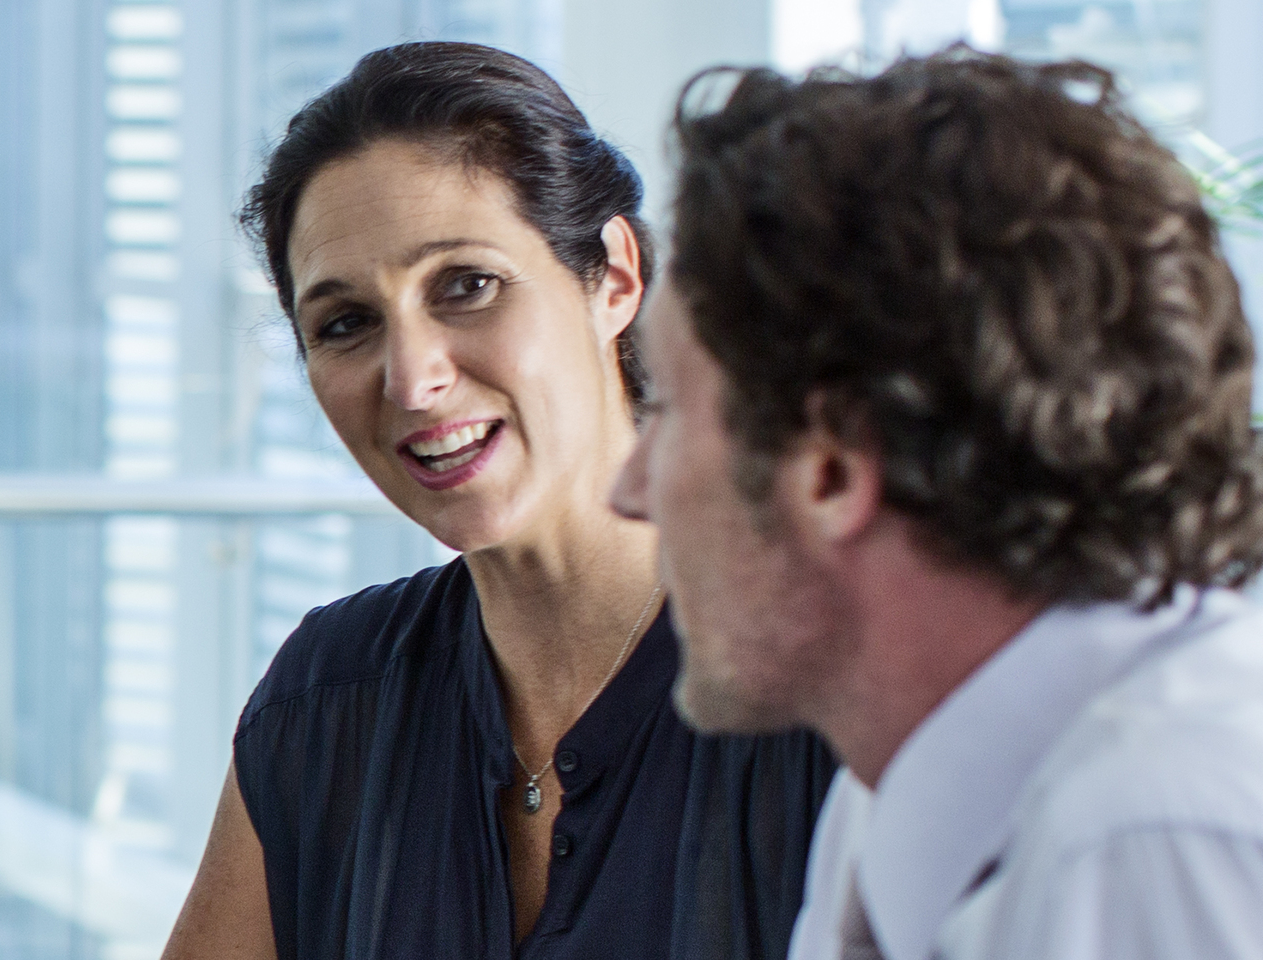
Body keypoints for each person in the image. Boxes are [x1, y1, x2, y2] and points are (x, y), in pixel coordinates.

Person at [618, 49, 1263, 959]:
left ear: (830, 469)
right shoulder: (891, 807)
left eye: (668, 412)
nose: (629, 488)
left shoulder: (1177, 845)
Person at [162, 42, 834, 960]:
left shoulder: (819, 681)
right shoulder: (327, 700)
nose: (412, 379)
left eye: (467, 286)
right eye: (346, 323)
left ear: (617, 279)